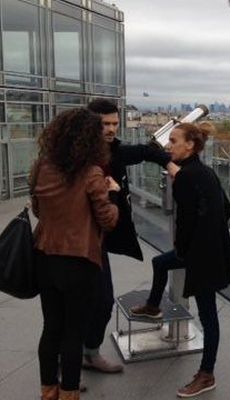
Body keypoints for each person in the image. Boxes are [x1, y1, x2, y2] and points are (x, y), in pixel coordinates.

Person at [132, 122, 230, 398]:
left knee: (208, 315)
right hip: (209, 251)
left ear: (190, 145)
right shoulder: (206, 173)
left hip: (200, 257)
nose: (168, 146)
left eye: (174, 141)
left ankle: (206, 374)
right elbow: (226, 209)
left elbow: (187, 222)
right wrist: (208, 236)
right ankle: (153, 306)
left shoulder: (185, 178)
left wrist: (186, 248)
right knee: (160, 263)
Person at [81, 99, 179, 373]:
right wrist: (110, 191)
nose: (111, 129)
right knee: (87, 302)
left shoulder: (114, 152)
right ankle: (77, 360)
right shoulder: (77, 157)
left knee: (100, 301)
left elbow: (146, 152)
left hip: (98, 239)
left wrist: (171, 165)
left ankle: (88, 352)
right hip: (78, 240)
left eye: (114, 123)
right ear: (90, 125)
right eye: (105, 124)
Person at [32, 108, 119, 400]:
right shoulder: (92, 173)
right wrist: (114, 195)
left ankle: (48, 392)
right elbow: (107, 219)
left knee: (51, 328)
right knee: (73, 333)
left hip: (45, 257)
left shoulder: (41, 167)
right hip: (80, 262)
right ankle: (69, 393)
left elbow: (37, 210)